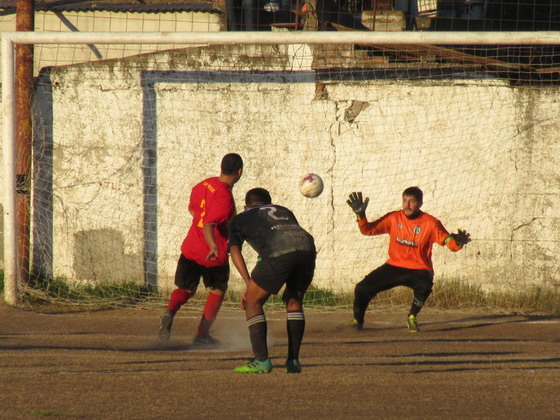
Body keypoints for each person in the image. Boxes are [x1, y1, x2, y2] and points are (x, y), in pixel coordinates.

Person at [346, 187, 471, 332]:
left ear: (420, 204)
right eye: (405, 200)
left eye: (412, 201)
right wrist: (360, 215)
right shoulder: (393, 218)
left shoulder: (431, 223)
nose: (407, 205)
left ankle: (412, 317)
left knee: (425, 286)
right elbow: (367, 230)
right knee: (362, 288)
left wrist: (458, 243)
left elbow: (450, 243)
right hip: (394, 266)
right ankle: (357, 321)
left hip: (419, 269)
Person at [158, 153, 243, 345]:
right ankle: (201, 335)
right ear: (239, 172)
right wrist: (213, 245)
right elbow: (209, 224)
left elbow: (193, 210)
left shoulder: (203, 185)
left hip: (190, 247)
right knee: (218, 290)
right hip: (211, 252)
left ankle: (170, 311)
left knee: (186, 288)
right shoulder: (225, 196)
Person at [228, 188, 316, 373]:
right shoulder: (283, 210)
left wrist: (248, 282)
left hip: (279, 250)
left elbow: (235, 251)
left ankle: (261, 361)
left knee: (253, 301)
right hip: (307, 247)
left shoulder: (240, 218)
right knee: (294, 301)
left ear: (245, 206)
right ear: (270, 203)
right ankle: (293, 361)